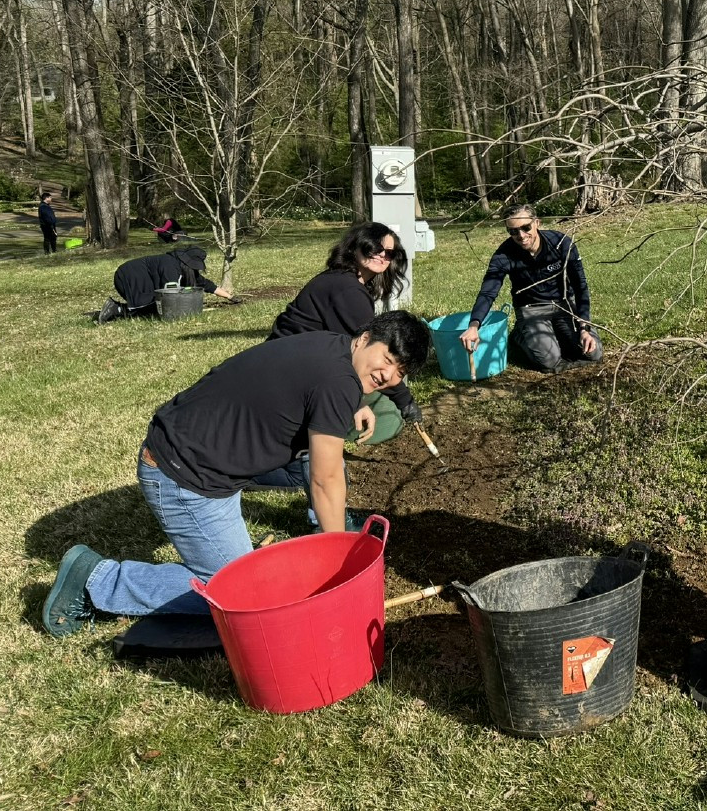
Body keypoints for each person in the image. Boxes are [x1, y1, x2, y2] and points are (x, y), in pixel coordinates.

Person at [41, 311, 432, 636]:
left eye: (400, 371)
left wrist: (354, 405)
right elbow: (323, 479)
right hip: (185, 476)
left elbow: (316, 403)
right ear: (365, 338)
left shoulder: (333, 351)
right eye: (387, 359)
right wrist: (338, 560)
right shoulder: (337, 381)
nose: (388, 374)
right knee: (241, 598)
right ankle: (97, 580)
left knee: (329, 461)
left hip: (200, 450)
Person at [254, 224, 422, 504]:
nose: (382, 256)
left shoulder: (343, 281)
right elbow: (370, 358)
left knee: (383, 412)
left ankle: (304, 448)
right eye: (374, 248)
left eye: (389, 253)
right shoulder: (348, 291)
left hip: (290, 366)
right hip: (290, 380)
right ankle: (270, 466)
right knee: (386, 418)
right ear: (355, 247)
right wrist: (403, 400)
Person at [459, 205, 603, 373]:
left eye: (526, 228)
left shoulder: (561, 243)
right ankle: (520, 336)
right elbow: (488, 291)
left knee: (594, 353)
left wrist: (584, 327)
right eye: (513, 231)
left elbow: (580, 286)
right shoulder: (503, 255)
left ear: (537, 223)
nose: (520, 235)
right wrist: (474, 325)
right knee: (548, 362)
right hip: (531, 309)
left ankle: (559, 334)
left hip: (564, 305)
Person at [97, 246, 232, 323]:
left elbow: (206, 284)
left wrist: (229, 297)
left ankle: (117, 309)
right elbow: (170, 295)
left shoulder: (182, 268)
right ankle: (116, 309)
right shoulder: (170, 266)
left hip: (131, 277)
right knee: (154, 306)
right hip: (128, 277)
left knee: (153, 308)